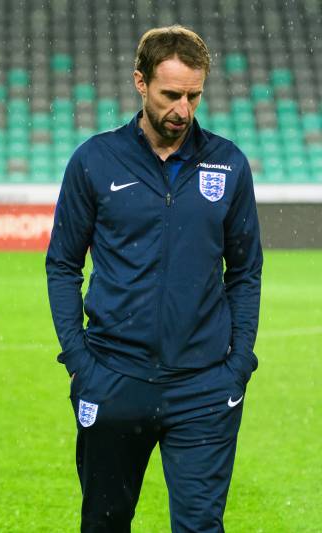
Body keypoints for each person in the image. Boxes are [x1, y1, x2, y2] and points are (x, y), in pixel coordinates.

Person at [45, 25, 262, 532]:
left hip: (206, 386)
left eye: (194, 95)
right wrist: (80, 362)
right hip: (114, 379)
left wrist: (238, 366)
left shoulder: (227, 164)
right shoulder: (95, 161)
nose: (182, 110)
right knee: (104, 522)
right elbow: (62, 265)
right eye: (170, 94)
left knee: (200, 527)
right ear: (140, 83)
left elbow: (246, 271)